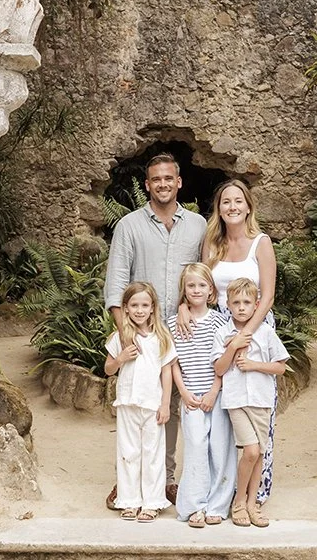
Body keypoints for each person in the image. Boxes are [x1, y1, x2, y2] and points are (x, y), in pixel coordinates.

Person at [103, 152, 207, 506]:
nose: (163, 184)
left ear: (179, 182)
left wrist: (187, 307)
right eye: (156, 180)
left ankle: (167, 479)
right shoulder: (129, 225)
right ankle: (129, 482)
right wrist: (126, 336)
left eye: (169, 178)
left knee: (172, 406)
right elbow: (116, 283)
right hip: (141, 334)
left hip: (184, 332)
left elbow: (202, 278)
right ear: (147, 185)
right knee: (135, 406)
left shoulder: (197, 226)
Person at [179, 178, 279, 504]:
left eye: (238, 201)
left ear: (248, 206)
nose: (232, 207)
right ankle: (220, 488)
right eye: (226, 202)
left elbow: (268, 295)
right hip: (218, 324)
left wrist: (246, 332)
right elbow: (200, 282)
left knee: (257, 404)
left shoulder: (260, 243)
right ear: (219, 209)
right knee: (223, 406)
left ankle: (255, 493)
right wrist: (183, 305)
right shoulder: (213, 242)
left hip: (254, 325)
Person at [212, 278, 288, 528]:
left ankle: (252, 504)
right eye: (236, 302)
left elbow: (280, 367)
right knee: (251, 451)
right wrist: (233, 347)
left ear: (256, 305)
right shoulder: (223, 334)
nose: (242, 307)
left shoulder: (266, 333)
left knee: (259, 455)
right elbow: (220, 369)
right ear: (228, 305)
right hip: (236, 400)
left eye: (247, 302)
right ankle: (239, 502)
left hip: (261, 399)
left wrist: (254, 365)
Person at [168, 263, 235, 528]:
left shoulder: (220, 321)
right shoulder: (173, 323)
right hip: (190, 396)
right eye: (191, 285)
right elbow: (172, 361)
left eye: (202, 285)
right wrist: (183, 392)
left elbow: (223, 360)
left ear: (211, 290)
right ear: (184, 290)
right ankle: (193, 506)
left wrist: (214, 391)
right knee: (195, 447)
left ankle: (217, 505)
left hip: (216, 395)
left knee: (219, 448)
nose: (196, 290)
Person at [103, 281, 176, 522]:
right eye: (134, 305)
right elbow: (108, 369)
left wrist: (165, 404)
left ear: (153, 307)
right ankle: (130, 500)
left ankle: (152, 502)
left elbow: (167, 372)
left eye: (145, 305)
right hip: (127, 402)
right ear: (125, 308)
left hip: (153, 404)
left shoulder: (161, 337)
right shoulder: (121, 337)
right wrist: (121, 358)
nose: (139, 310)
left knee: (153, 453)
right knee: (128, 452)